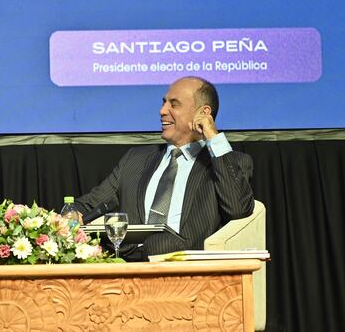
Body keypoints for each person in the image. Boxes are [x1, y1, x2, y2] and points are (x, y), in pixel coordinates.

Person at [74, 76, 254, 259]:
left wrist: (212, 136)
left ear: (204, 113)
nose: (162, 111)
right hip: (127, 264)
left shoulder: (229, 162)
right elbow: (90, 204)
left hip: (186, 268)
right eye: (164, 103)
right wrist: (70, 216)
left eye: (174, 104)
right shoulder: (135, 159)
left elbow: (238, 210)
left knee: (161, 243)